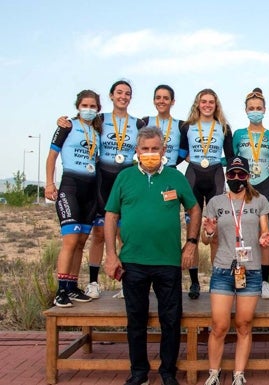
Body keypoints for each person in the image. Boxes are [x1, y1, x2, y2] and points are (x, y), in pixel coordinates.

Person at [103, 126, 200, 385]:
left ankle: (168, 371)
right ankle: (139, 373)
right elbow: (111, 216)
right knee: (136, 320)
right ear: (137, 151)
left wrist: (191, 243)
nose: (149, 154)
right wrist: (111, 255)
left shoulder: (175, 177)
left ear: (163, 150)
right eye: (144, 149)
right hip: (132, 261)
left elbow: (194, 208)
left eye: (154, 149)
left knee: (171, 320)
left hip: (168, 261)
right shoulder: (124, 178)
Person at [57, 80, 145, 299]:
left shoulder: (138, 123)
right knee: (98, 233)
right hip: (101, 180)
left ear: (130, 97)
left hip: (125, 179)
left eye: (127, 93)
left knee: (125, 235)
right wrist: (62, 121)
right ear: (111, 96)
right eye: (119, 93)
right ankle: (93, 283)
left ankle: (127, 283)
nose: (123, 96)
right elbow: (78, 122)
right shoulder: (100, 120)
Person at [201, 156, 269, 385]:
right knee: (220, 325)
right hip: (223, 269)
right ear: (226, 176)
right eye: (231, 174)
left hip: (250, 270)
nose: (236, 178)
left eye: (241, 174)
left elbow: (264, 230)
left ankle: (238, 374)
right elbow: (205, 239)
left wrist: (264, 238)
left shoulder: (259, 200)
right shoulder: (215, 202)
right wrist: (210, 232)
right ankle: (214, 372)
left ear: (248, 176)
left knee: (243, 324)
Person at [46, 90, 102, 307]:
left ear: (98, 109)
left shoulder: (96, 130)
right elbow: (52, 156)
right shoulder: (66, 125)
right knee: (70, 240)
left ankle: (72, 286)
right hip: (70, 185)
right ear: (78, 106)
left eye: (93, 106)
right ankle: (60, 290)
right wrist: (50, 183)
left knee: (81, 241)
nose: (89, 109)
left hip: (90, 189)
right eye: (85, 105)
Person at [181, 88, 234, 299]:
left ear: (216, 105)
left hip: (215, 176)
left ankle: (216, 280)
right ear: (197, 104)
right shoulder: (187, 127)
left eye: (211, 102)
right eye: (204, 102)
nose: (207, 105)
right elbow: (181, 153)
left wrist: (218, 165)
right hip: (193, 174)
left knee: (215, 234)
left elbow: (230, 157)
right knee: (191, 232)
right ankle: (194, 282)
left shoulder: (223, 127)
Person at [232, 88, 269, 299]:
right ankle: (241, 279)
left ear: (265, 110)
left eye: (259, 108)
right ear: (246, 110)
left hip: (265, 187)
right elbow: (231, 161)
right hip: (243, 187)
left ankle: (264, 283)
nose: (255, 111)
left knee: (264, 236)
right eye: (251, 108)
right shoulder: (238, 134)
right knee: (242, 236)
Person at [141, 84, 187, 168]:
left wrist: (172, 164)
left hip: (170, 169)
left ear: (172, 101)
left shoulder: (181, 125)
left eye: (166, 98)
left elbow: (184, 151)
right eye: (158, 98)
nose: (161, 101)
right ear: (154, 100)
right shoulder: (145, 122)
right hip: (148, 169)